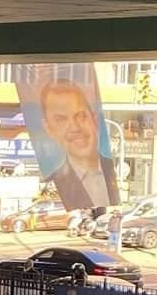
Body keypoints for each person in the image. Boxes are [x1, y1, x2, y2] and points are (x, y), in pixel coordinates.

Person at [41, 80, 120, 211]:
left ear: (94, 120)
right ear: (48, 128)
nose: (74, 128)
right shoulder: (54, 183)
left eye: (81, 116)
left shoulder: (115, 174)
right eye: (61, 120)